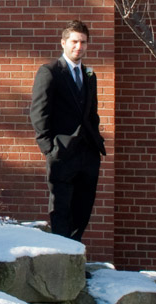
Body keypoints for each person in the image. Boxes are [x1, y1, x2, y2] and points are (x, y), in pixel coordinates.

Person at [29, 20, 107, 241]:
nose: (78, 47)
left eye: (83, 42)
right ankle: (63, 262)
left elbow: (92, 113)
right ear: (63, 43)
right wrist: (49, 149)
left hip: (88, 154)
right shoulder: (50, 72)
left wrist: (96, 141)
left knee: (82, 210)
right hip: (61, 153)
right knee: (61, 211)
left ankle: (74, 260)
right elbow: (39, 113)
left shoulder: (90, 75)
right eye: (74, 41)